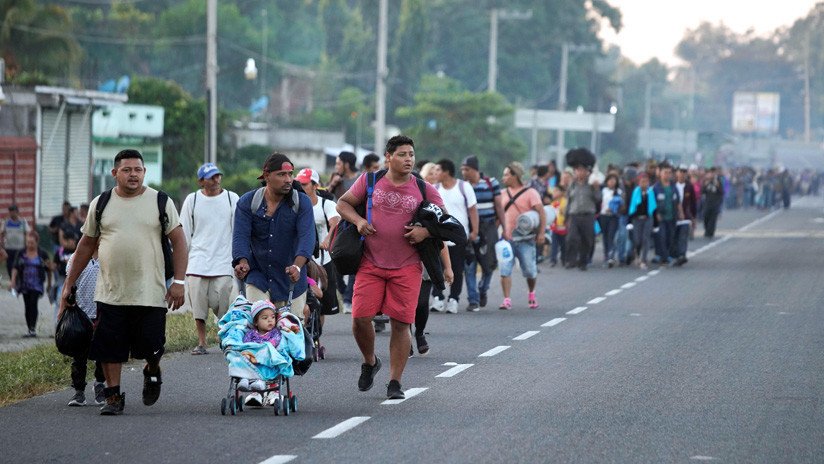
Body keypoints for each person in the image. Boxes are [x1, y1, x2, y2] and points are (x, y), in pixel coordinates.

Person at [59, 148, 188, 416]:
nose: (133, 175)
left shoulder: (160, 201)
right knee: (109, 348)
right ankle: (113, 397)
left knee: (152, 346)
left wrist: (179, 282)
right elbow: (85, 245)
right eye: (127, 170)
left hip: (150, 292)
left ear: (144, 172)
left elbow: (178, 241)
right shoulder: (102, 203)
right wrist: (69, 284)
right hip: (110, 292)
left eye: (138, 170)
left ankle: (152, 370)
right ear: (115, 173)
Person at [336, 134, 443, 400]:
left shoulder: (424, 188)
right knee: (360, 318)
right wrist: (359, 221)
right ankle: (370, 361)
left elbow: (445, 222)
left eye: (411, 155)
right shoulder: (370, 180)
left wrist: (425, 232)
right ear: (388, 157)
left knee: (401, 324)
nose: (409, 160)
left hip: (407, 266)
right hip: (370, 262)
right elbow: (343, 204)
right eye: (402, 154)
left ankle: (395, 382)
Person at [233, 152, 314, 315]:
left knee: (289, 327)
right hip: (258, 277)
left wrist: (297, 267)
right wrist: (242, 262)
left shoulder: (302, 202)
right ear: (267, 176)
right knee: (260, 323)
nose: (288, 179)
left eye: (290, 174)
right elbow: (240, 236)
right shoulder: (247, 202)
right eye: (282, 174)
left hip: (291, 280)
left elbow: (307, 238)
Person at [179, 162, 240, 355]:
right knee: (198, 305)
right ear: (201, 181)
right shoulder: (192, 200)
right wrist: (181, 262)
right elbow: (184, 232)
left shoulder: (231, 199)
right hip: (197, 261)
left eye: (217, 176)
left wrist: (239, 257)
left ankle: (224, 336)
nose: (215, 180)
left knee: (224, 303)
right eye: (211, 177)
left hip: (224, 261)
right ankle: (202, 341)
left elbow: (238, 230)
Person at [296, 168, 340, 340]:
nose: (301, 187)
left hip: (322, 259)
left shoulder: (325, 204)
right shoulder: (295, 203)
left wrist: (327, 239)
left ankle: (315, 337)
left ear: (315, 185)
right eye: (298, 184)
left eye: (304, 184)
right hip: (302, 259)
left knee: (323, 302)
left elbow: (335, 221)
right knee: (302, 298)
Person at [430, 158, 477, 314]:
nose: (435, 173)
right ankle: (437, 297)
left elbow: (472, 210)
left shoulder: (464, 187)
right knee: (437, 268)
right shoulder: (434, 188)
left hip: (458, 236)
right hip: (438, 236)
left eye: (437, 170)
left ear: (446, 172)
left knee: (457, 269)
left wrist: (474, 231)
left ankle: (454, 299)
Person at [460, 155, 506, 310]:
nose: (463, 172)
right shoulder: (463, 186)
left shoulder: (491, 183)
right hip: (470, 228)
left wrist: (504, 228)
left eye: (466, 169)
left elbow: (499, 207)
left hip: (489, 228)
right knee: (469, 264)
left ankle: (483, 288)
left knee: (489, 264)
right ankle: (473, 299)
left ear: (474, 169)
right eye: (462, 169)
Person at [499, 162, 545, 310]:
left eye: (506, 175)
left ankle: (531, 293)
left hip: (526, 240)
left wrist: (541, 233)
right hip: (507, 239)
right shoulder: (502, 193)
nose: (503, 177)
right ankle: (507, 299)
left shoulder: (530, 193)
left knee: (530, 271)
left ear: (515, 176)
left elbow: (541, 212)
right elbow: (499, 215)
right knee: (504, 270)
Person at [65, 250, 106, 407]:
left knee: (102, 352)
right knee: (79, 355)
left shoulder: (108, 254)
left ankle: (100, 383)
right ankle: (79, 390)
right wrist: (63, 308)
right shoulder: (76, 258)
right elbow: (68, 284)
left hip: (103, 312)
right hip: (81, 314)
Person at [327, 151, 360, 312]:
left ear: (346, 164)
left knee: (355, 259)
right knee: (335, 259)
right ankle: (343, 291)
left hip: (354, 226)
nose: (336, 166)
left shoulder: (360, 179)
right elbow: (324, 196)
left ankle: (348, 299)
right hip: (337, 226)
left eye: (339, 163)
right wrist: (332, 184)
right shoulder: (336, 179)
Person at [9, 231, 52, 337]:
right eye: (28, 242)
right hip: (24, 284)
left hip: (37, 284)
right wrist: (13, 281)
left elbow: (49, 270)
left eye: (32, 243)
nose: (29, 245)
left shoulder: (42, 254)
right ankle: (29, 329)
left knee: (33, 303)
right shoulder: (21, 253)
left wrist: (49, 284)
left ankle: (33, 329)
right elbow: (15, 268)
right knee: (27, 305)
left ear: (37, 242)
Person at [565, 161, 601, 271]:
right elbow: (569, 200)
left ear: (587, 172)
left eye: (582, 170)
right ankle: (571, 260)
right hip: (574, 215)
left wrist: (596, 189)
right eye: (578, 170)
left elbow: (598, 199)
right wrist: (566, 216)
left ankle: (583, 262)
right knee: (571, 238)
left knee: (587, 239)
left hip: (588, 215)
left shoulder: (591, 185)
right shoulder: (572, 185)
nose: (580, 173)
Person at [651, 162, 684, 265]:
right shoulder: (656, 188)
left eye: (669, 173)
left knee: (670, 236)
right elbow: (653, 203)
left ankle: (667, 255)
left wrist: (681, 212)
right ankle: (662, 256)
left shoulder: (673, 187)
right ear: (660, 173)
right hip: (661, 217)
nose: (667, 175)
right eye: (665, 172)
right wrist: (656, 214)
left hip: (672, 216)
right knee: (662, 236)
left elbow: (678, 201)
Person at [629, 173, 656, 269]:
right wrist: (630, 219)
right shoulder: (636, 192)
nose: (644, 184)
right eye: (642, 182)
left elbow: (653, 206)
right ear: (639, 183)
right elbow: (632, 206)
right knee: (637, 239)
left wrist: (655, 222)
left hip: (648, 218)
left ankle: (643, 259)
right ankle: (637, 254)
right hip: (637, 219)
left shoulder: (650, 192)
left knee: (646, 238)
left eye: (646, 182)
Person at [598, 174, 623, 267]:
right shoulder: (603, 191)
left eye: (614, 180)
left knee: (611, 236)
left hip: (613, 216)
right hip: (603, 215)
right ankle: (606, 255)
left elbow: (622, 204)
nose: (612, 182)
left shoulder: (619, 192)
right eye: (610, 180)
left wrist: (614, 208)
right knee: (605, 236)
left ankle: (611, 256)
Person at [1, 204, 29, 280]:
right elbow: (2, 234)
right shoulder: (6, 222)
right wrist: (2, 245)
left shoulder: (23, 222)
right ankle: (12, 280)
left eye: (13, 212)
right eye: (10, 212)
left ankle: (19, 280)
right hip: (9, 249)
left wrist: (26, 246)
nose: (11, 214)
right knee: (10, 266)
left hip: (20, 249)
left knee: (20, 265)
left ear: (17, 212)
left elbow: (26, 234)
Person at [702, 167, 724, 238]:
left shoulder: (718, 181)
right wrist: (706, 184)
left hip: (715, 203)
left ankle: (710, 232)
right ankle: (707, 229)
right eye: (711, 173)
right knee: (706, 217)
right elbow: (702, 191)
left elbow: (722, 192)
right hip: (707, 203)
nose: (712, 174)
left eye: (713, 173)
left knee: (713, 219)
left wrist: (717, 185)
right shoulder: (706, 181)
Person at [549, 185, 568, 267]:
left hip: (564, 226)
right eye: (554, 191)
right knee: (554, 244)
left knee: (564, 244)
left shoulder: (565, 202)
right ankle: (553, 259)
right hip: (555, 227)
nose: (554, 193)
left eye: (556, 191)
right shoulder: (553, 203)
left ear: (562, 192)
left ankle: (564, 259)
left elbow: (566, 213)